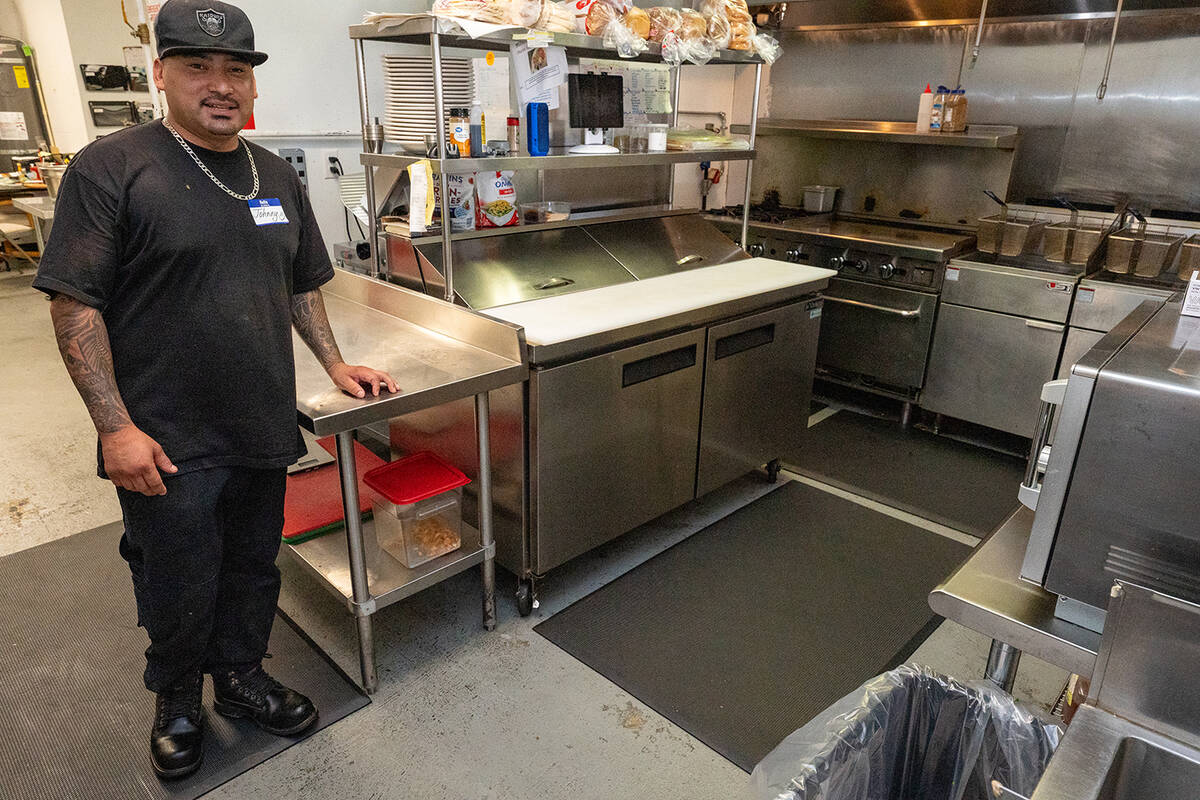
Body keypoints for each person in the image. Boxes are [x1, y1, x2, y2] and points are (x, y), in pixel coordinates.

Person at [35, 0, 397, 780]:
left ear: (253, 85)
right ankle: (175, 700)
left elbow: (301, 284)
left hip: (259, 416)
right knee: (176, 572)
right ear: (160, 73)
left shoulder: (273, 174)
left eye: (236, 69)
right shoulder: (112, 167)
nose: (220, 84)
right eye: (198, 67)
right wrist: (114, 429)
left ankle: (238, 679)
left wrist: (334, 366)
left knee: (252, 564)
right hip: (163, 432)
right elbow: (76, 303)